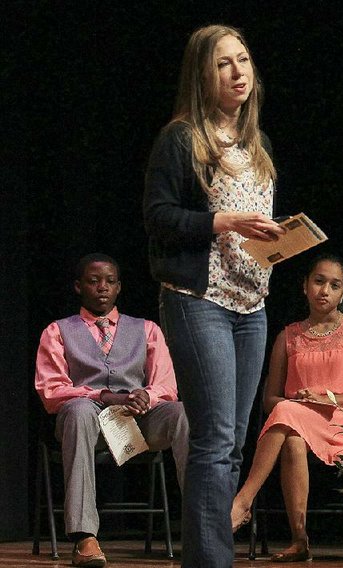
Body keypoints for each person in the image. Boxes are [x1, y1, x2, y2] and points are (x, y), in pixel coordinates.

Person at [142, 24, 286, 568]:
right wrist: (220, 221)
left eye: (243, 60)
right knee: (213, 438)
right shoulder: (181, 138)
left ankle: (211, 556)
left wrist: (278, 241)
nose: (238, 72)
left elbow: (256, 226)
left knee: (234, 445)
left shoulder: (258, 144)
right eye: (224, 63)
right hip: (199, 299)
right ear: (203, 74)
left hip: (253, 304)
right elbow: (158, 217)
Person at [34, 253, 188, 568]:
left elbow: (167, 385)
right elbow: (51, 391)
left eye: (110, 281)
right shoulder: (58, 331)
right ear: (79, 287)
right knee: (78, 409)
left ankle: (203, 525)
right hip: (86, 424)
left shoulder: (146, 329)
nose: (102, 287)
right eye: (93, 281)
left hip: (138, 423)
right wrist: (104, 396)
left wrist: (145, 395)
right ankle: (84, 538)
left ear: (119, 287)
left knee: (182, 412)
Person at [231, 254, 343, 562]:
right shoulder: (288, 336)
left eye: (334, 285)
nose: (324, 290)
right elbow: (270, 399)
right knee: (292, 436)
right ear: (305, 286)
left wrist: (328, 399)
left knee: (288, 419)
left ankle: (243, 500)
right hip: (298, 421)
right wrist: (301, 404)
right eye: (318, 281)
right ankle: (300, 540)